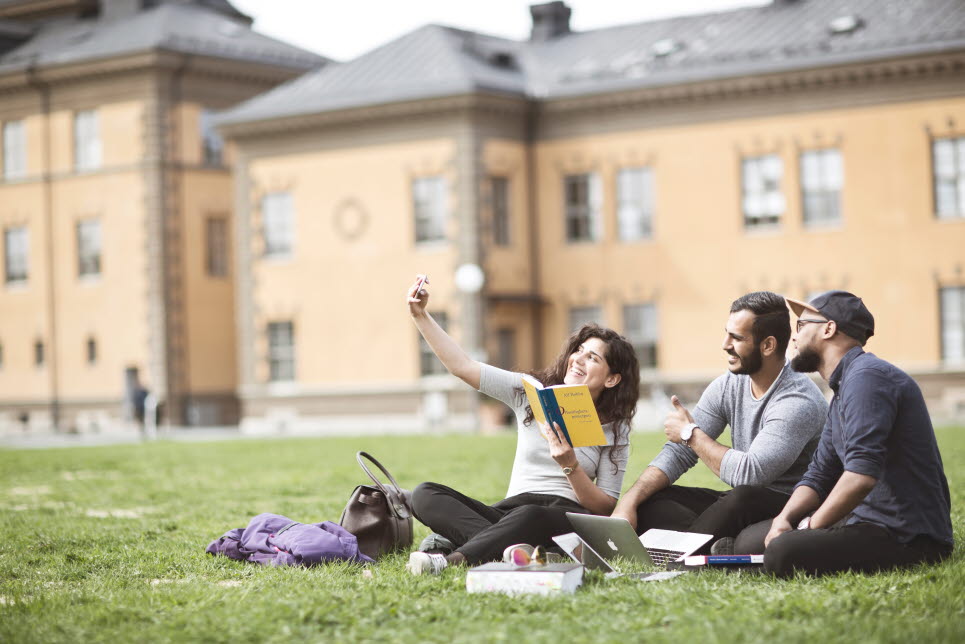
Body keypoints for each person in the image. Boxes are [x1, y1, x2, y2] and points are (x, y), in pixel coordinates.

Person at [404, 276, 640, 575]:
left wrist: (570, 466)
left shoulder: (616, 429)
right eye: (578, 350)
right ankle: (516, 550)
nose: (578, 360)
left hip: (562, 516)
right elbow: (462, 366)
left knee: (531, 515)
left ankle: (451, 559)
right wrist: (421, 315)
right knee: (424, 494)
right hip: (510, 512)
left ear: (612, 379)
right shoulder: (529, 392)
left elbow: (604, 507)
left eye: (592, 357)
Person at [611, 291, 828, 553]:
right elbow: (678, 453)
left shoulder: (798, 400)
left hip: (789, 505)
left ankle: (686, 550)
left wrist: (690, 433)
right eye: (727, 334)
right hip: (739, 503)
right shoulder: (729, 384)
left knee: (742, 497)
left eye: (737, 338)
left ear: (768, 345)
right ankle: (716, 544)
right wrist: (630, 501)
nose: (725, 344)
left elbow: (751, 473)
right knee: (654, 500)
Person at [760, 291, 953, 576]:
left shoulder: (868, 378)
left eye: (801, 325)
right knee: (757, 537)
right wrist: (784, 518)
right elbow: (820, 474)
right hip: (865, 519)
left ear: (828, 328)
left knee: (782, 551)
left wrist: (809, 527)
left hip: (906, 535)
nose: (794, 337)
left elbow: (861, 476)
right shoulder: (844, 388)